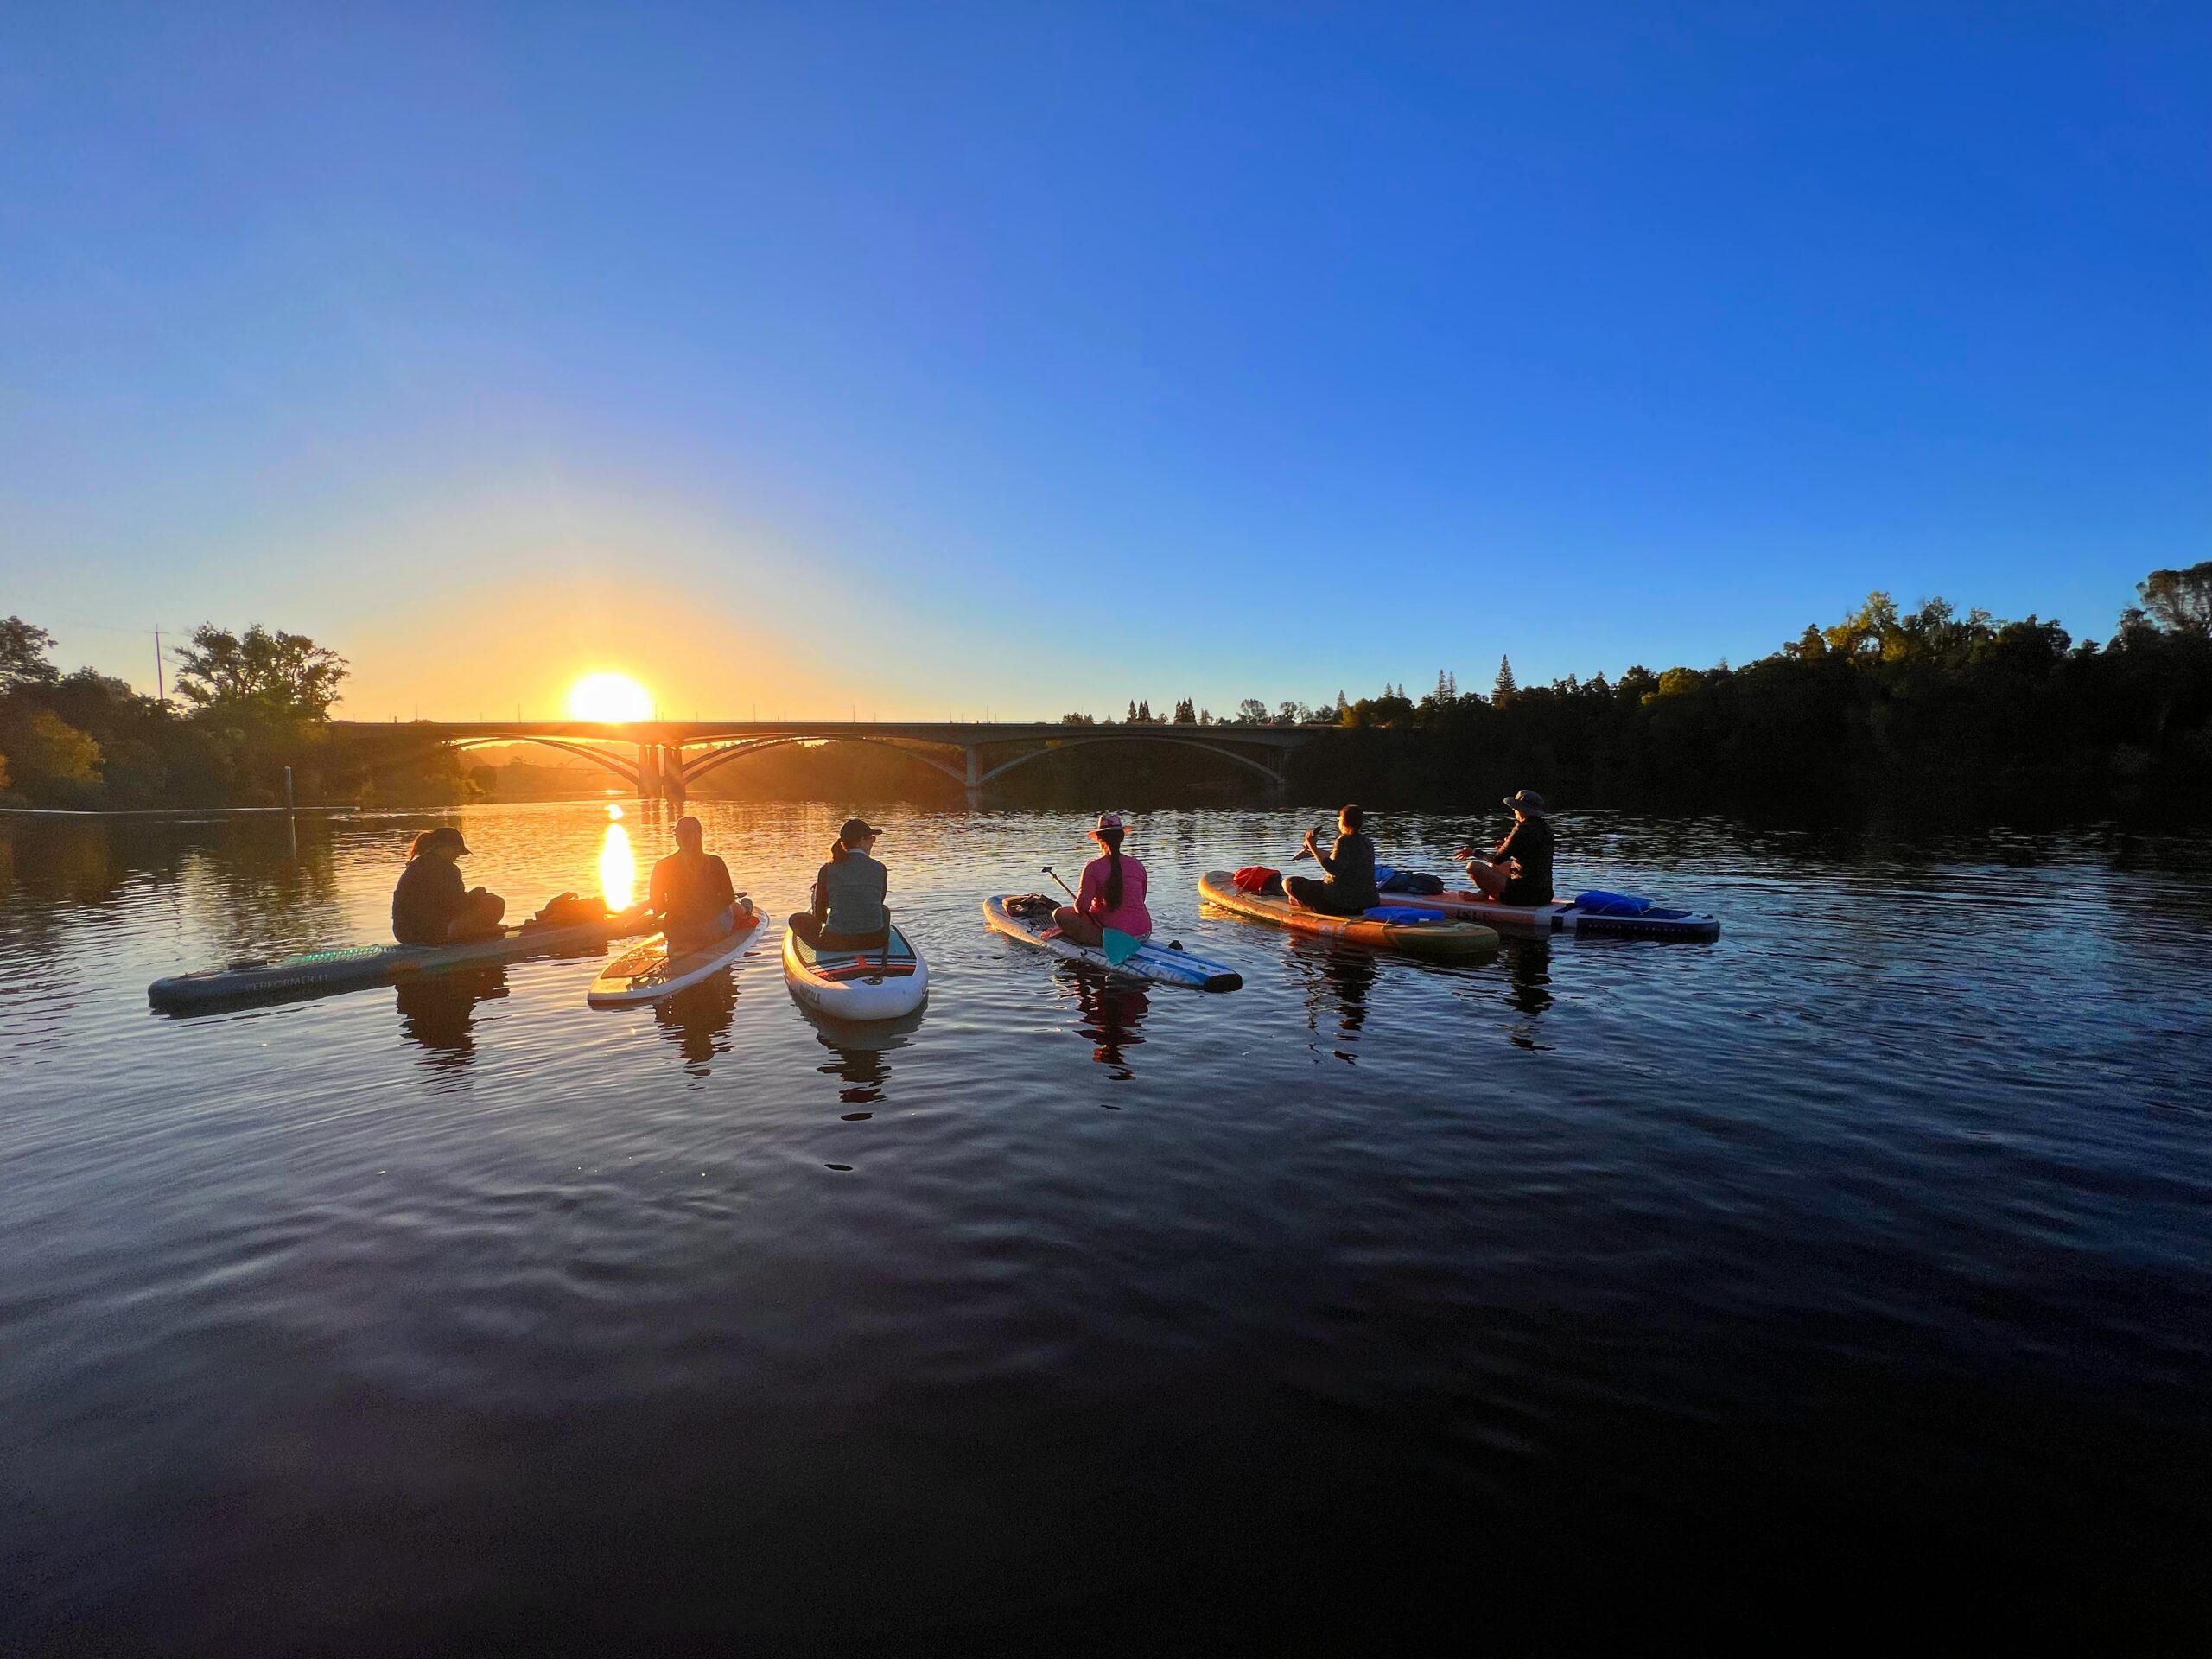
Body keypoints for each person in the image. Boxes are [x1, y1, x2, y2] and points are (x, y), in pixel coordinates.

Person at [391, 825, 505, 944]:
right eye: (458, 850)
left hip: (403, 934)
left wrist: (471, 897)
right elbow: (456, 906)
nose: (458, 856)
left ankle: (468, 931)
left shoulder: (416, 866)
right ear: (446, 847)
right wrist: (474, 896)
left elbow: (439, 900)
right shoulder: (447, 869)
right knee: (495, 902)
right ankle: (465, 935)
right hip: (431, 933)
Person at [789, 817, 889, 950]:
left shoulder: (827, 869)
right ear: (861, 841)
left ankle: (822, 938)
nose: (872, 843)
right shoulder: (880, 868)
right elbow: (878, 901)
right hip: (875, 940)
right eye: (872, 839)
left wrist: (832, 923)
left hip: (835, 942)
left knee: (795, 919)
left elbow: (820, 912)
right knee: (884, 910)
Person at [1054, 811, 1153, 948]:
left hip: (1115, 938)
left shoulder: (1093, 867)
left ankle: (1087, 938)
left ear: (1099, 838)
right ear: (1121, 838)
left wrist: (1078, 908)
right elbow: (1140, 899)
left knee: (1060, 913)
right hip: (1144, 932)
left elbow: (1081, 908)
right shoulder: (1137, 864)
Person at [648, 815, 744, 950]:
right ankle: (746, 909)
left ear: (677, 837)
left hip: (676, 933)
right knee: (733, 906)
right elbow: (728, 898)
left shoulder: (661, 866)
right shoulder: (716, 862)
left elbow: (657, 905)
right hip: (711, 931)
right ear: (700, 835)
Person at [1454, 789, 1556, 906]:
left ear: (1520, 810)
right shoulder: (1545, 829)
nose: (1513, 810)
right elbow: (1532, 852)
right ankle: (1483, 893)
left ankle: (1484, 895)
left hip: (1525, 896)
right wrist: (1508, 846)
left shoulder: (1521, 830)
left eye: (1515, 808)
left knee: (1473, 867)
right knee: (1494, 866)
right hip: (1545, 894)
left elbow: (1496, 859)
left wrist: (1473, 852)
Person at [1283, 804, 1379, 916]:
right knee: (1323, 880)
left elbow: (1334, 870)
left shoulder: (1342, 841)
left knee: (1289, 882)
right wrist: (1314, 851)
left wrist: (1313, 847)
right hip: (1370, 902)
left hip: (1339, 904)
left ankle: (1303, 903)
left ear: (1343, 822)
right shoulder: (1366, 841)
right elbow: (1349, 860)